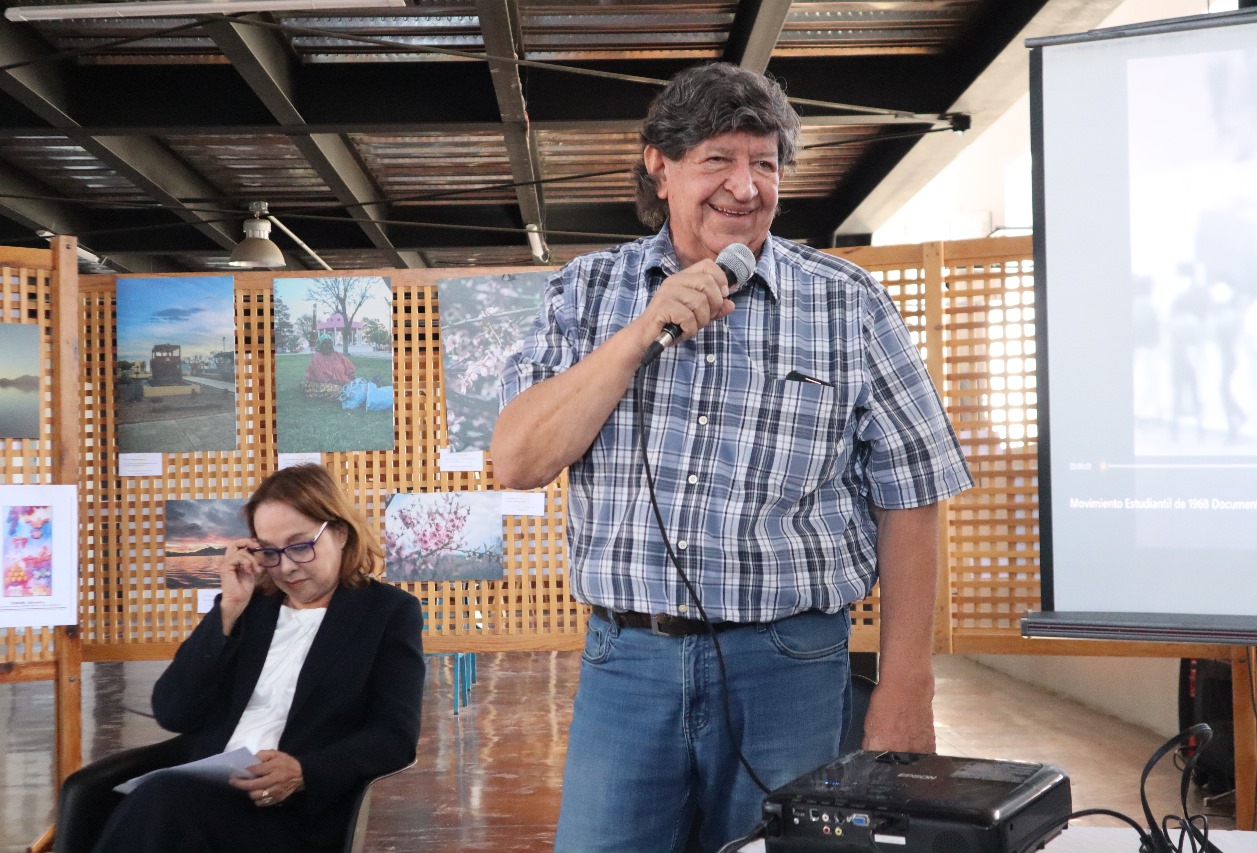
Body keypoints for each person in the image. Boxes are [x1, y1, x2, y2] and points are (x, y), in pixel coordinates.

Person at [491, 62, 973, 853]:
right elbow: (518, 460)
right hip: (628, 663)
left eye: (765, 163)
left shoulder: (846, 301)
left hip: (790, 664)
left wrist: (905, 686)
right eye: (718, 159)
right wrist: (640, 332)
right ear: (660, 166)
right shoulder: (587, 290)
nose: (745, 187)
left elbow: (913, 493)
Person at [91, 463, 425, 853]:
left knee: (163, 803)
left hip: (293, 812)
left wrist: (303, 772)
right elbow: (173, 711)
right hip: (206, 791)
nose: (286, 566)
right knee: (103, 800)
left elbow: (394, 735)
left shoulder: (386, 612)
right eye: (270, 551)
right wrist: (228, 611)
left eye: (300, 546)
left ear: (339, 533)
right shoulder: (250, 609)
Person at [302, 332, 356, 399]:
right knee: (339, 390)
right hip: (322, 384)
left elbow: (350, 370)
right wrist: (340, 382)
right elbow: (321, 378)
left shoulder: (338, 355)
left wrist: (351, 380)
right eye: (325, 343)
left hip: (341, 383)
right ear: (320, 345)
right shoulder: (317, 357)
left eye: (329, 343)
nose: (328, 345)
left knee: (353, 386)